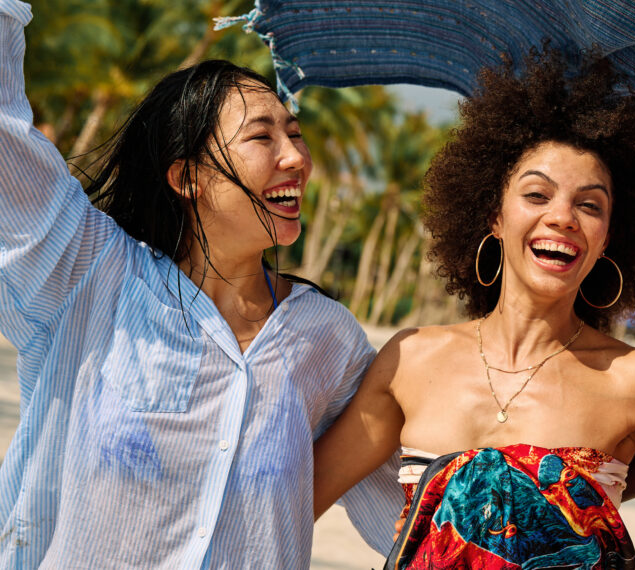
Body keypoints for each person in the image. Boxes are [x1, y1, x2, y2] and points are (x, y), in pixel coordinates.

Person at [312, 48, 635, 568]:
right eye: (537, 195)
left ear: (609, 238)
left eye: (589, 205)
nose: (562, 217)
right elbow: (288, 503)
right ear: (493, 214)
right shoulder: (411, 359)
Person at [0, 1, 399, 567]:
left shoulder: (324, 338)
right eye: (263, 137)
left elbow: (418, 510)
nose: (297, 157)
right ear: (187, 177)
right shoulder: (90, 275)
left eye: (296, 132)